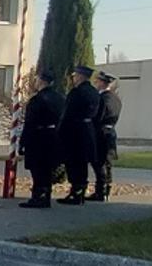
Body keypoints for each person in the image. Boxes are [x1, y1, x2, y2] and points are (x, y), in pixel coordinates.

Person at [18, 71, 65, 209]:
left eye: (37, 80)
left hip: (38, 138)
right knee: (47, 168)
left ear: (41, 81)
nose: (36, 82)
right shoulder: (60, 98)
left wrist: (23, 142)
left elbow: (30, 122)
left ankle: (39, 197)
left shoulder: (37, 100)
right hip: (54, 136)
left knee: (38, 169)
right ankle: (46, 195)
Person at [58, 65, 102, 205]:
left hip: (75, 132)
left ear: (81, 76)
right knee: (82, 163)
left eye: (75, 75)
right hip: (88, 130)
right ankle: (80, 193)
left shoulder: (76, 93)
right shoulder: (95, 92)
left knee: (73, 163)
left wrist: (60, 132)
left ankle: (76, 193)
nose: (74, 78)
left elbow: (67, 114)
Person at [93, 72, 122, 202]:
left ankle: (101, 191)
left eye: (98, 82)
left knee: (99, 162)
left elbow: (97, 116)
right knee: (108, 163)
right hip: (110, 132)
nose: (96, 84)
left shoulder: (103, 98)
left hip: (101, 133)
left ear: (103, 83)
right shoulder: (116, 99)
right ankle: (106, 190)